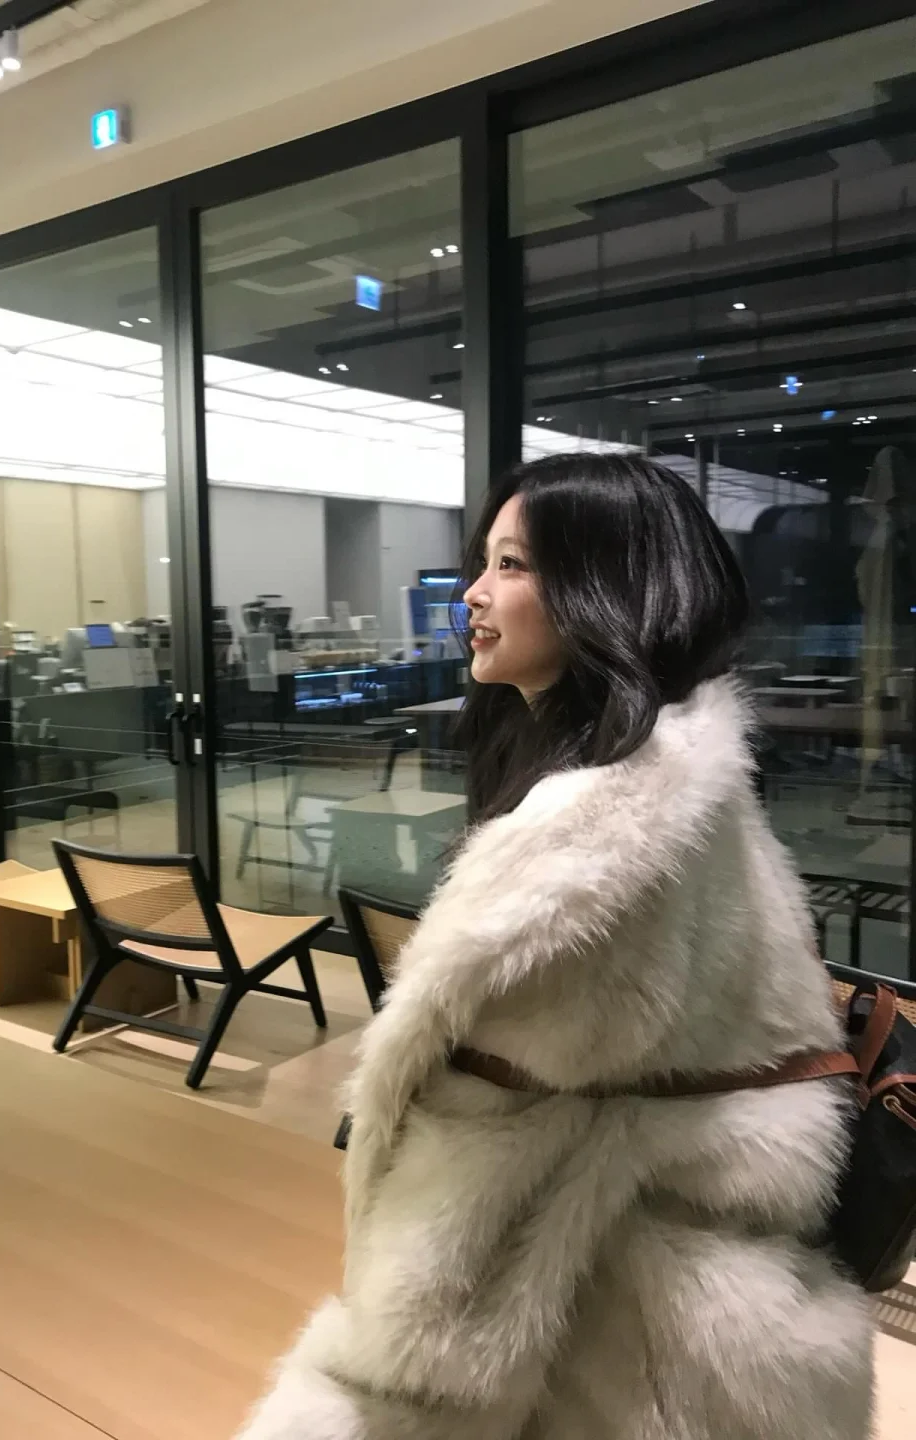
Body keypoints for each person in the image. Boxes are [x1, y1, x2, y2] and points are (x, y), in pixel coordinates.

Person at [235, 453, 874, 1440]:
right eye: (482, 562)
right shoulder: (680, 781)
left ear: (605, 590)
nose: (473, 594)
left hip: (607, 1329)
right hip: (695, 1311)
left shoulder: (597, 839)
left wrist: (374, 1384)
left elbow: (485, 1179)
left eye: (513, 565)